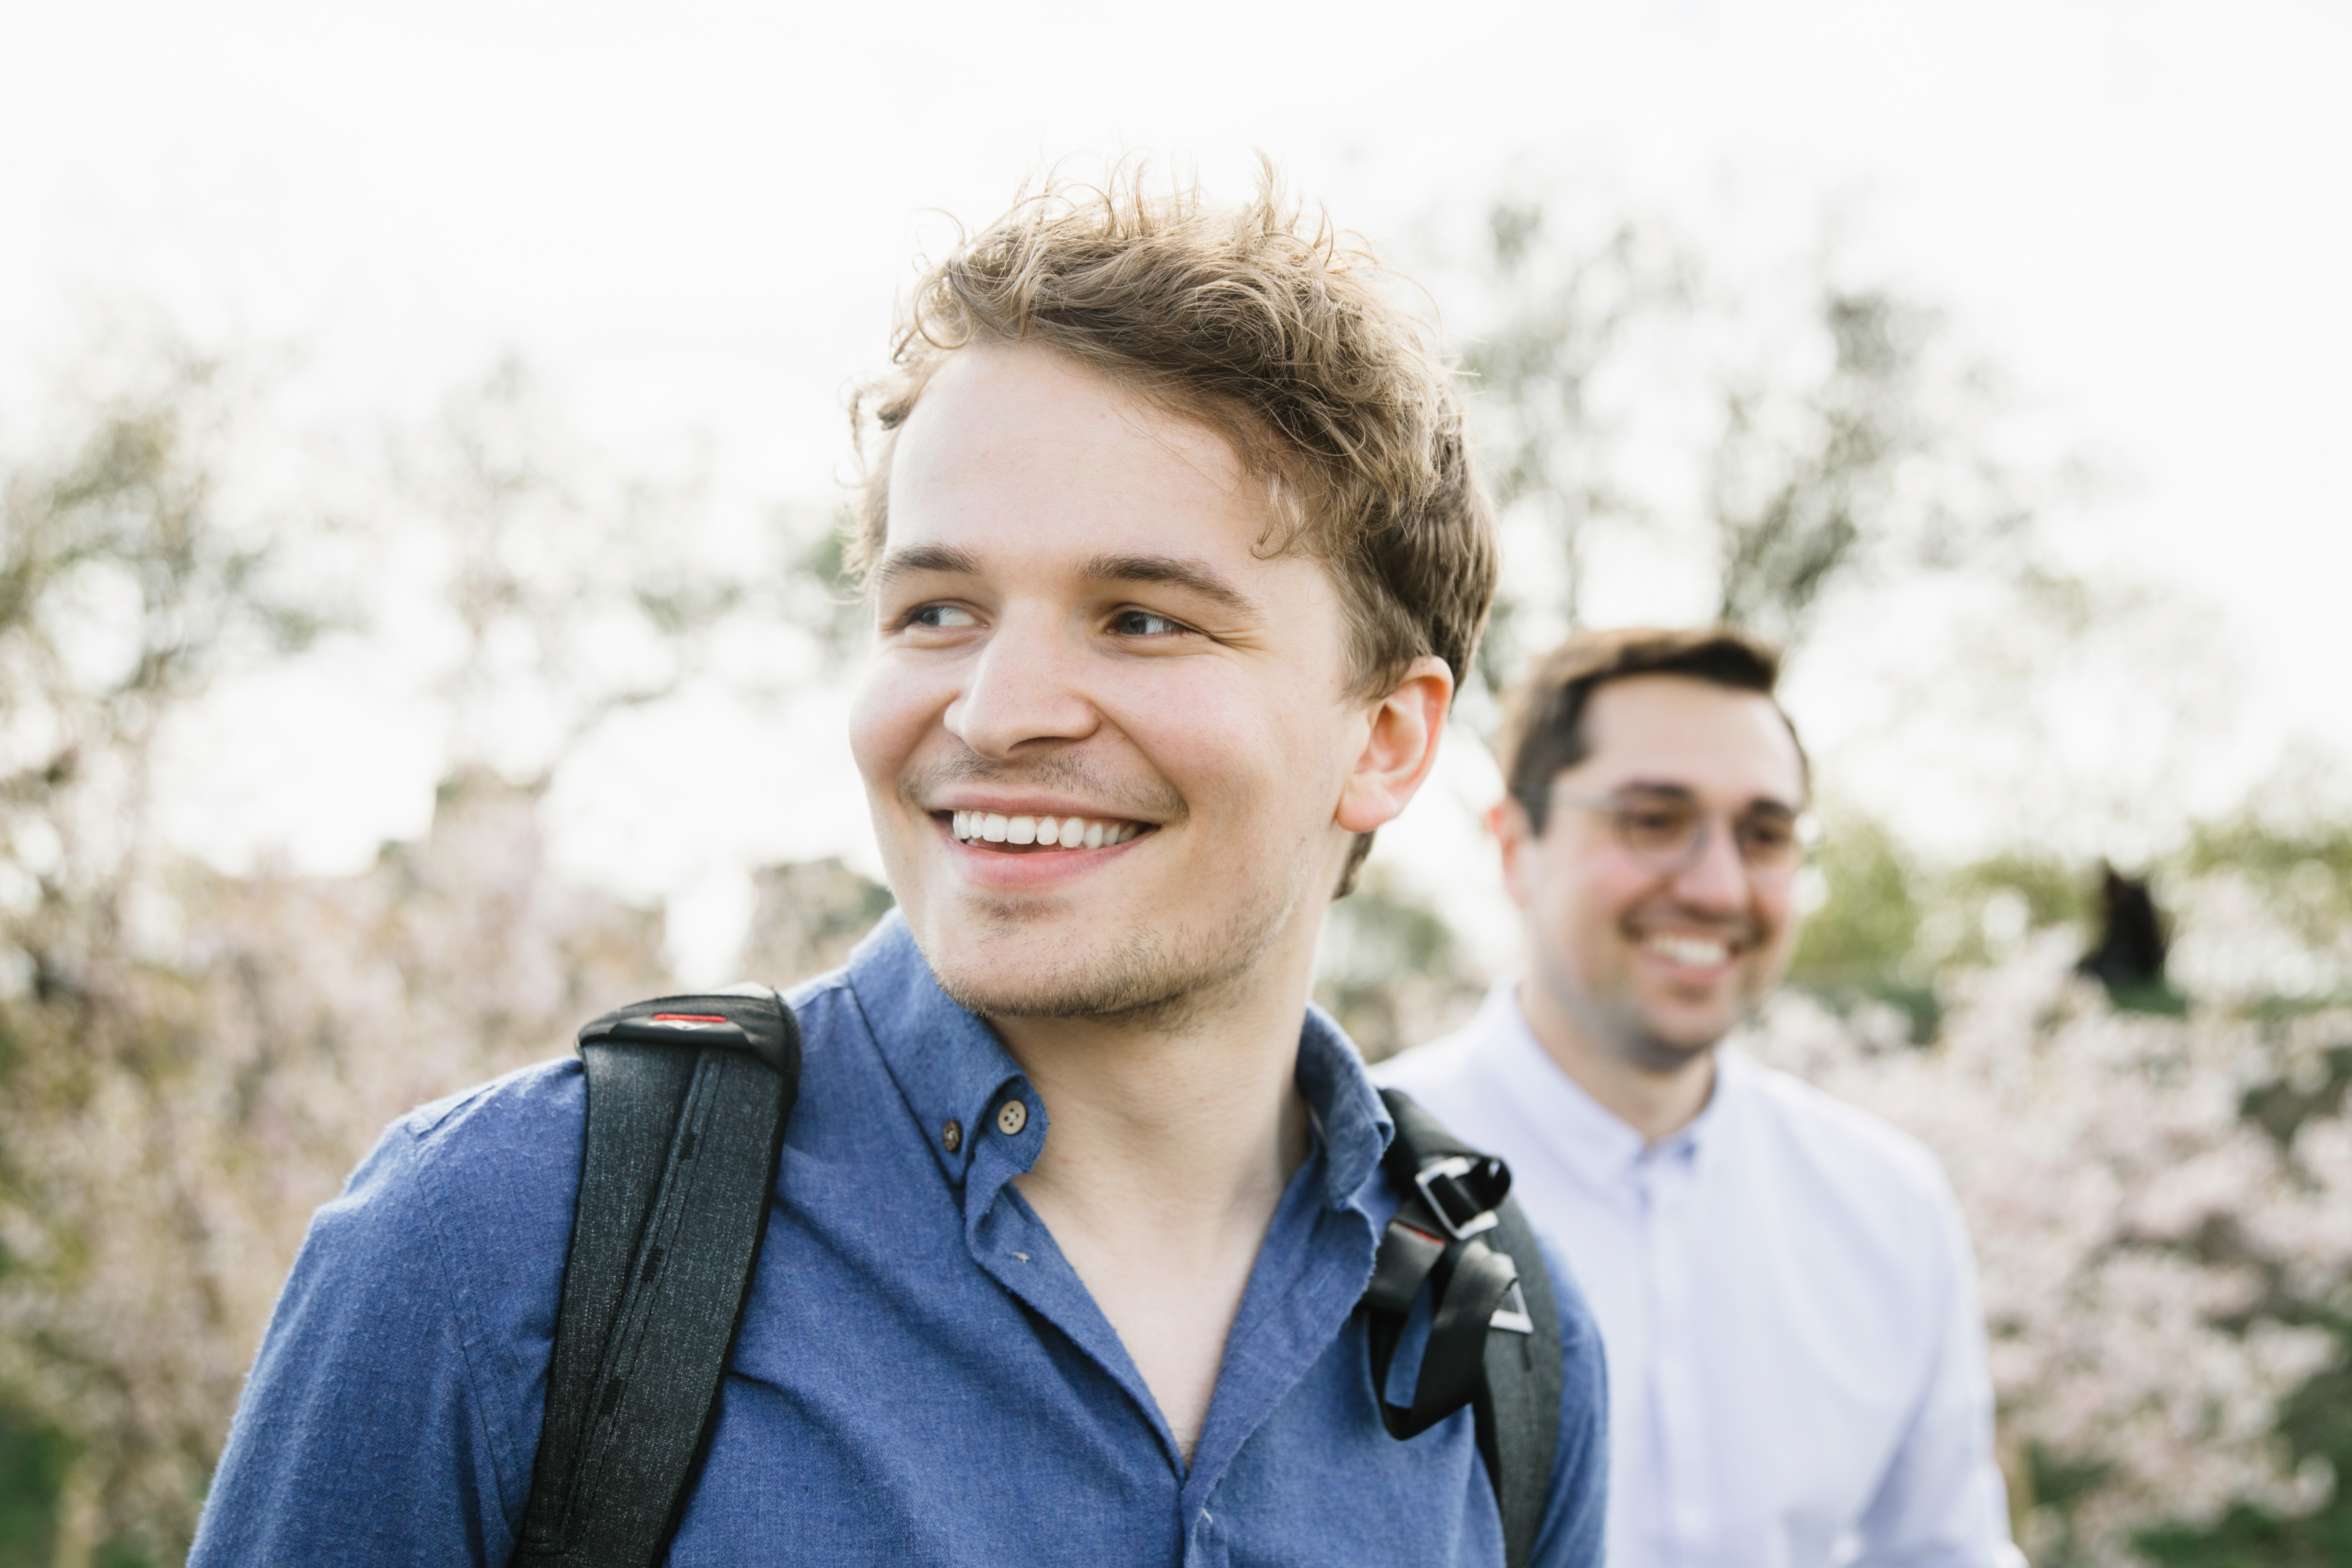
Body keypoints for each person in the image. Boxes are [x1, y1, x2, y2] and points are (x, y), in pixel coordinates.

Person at [189, 172, 1609, 1566]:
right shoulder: (500, 1249)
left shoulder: (1510, 1355)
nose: (997, 709)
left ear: (1388, 739)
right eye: (938, 610)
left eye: (1144, 619)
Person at [1377, 627, 2022, 1568]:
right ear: (1517, 845)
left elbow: (1942, 1551)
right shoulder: (1350, 1175)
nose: (1719, 886)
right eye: (1653, 818)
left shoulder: (1891, 1207)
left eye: (1764, 834)